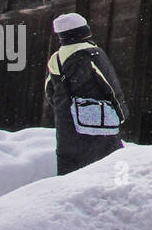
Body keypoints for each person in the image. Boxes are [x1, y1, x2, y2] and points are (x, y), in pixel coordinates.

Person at [44, 12, 128, 176]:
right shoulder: (92, 53)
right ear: (84, 32)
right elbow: (110, 85)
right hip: (97, 119)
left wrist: (66, 109)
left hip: (67, 123)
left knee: (71, 166)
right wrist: (121, 112)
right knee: (108, 162)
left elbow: (49, 91)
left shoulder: (55, 58)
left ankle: (68, 195)